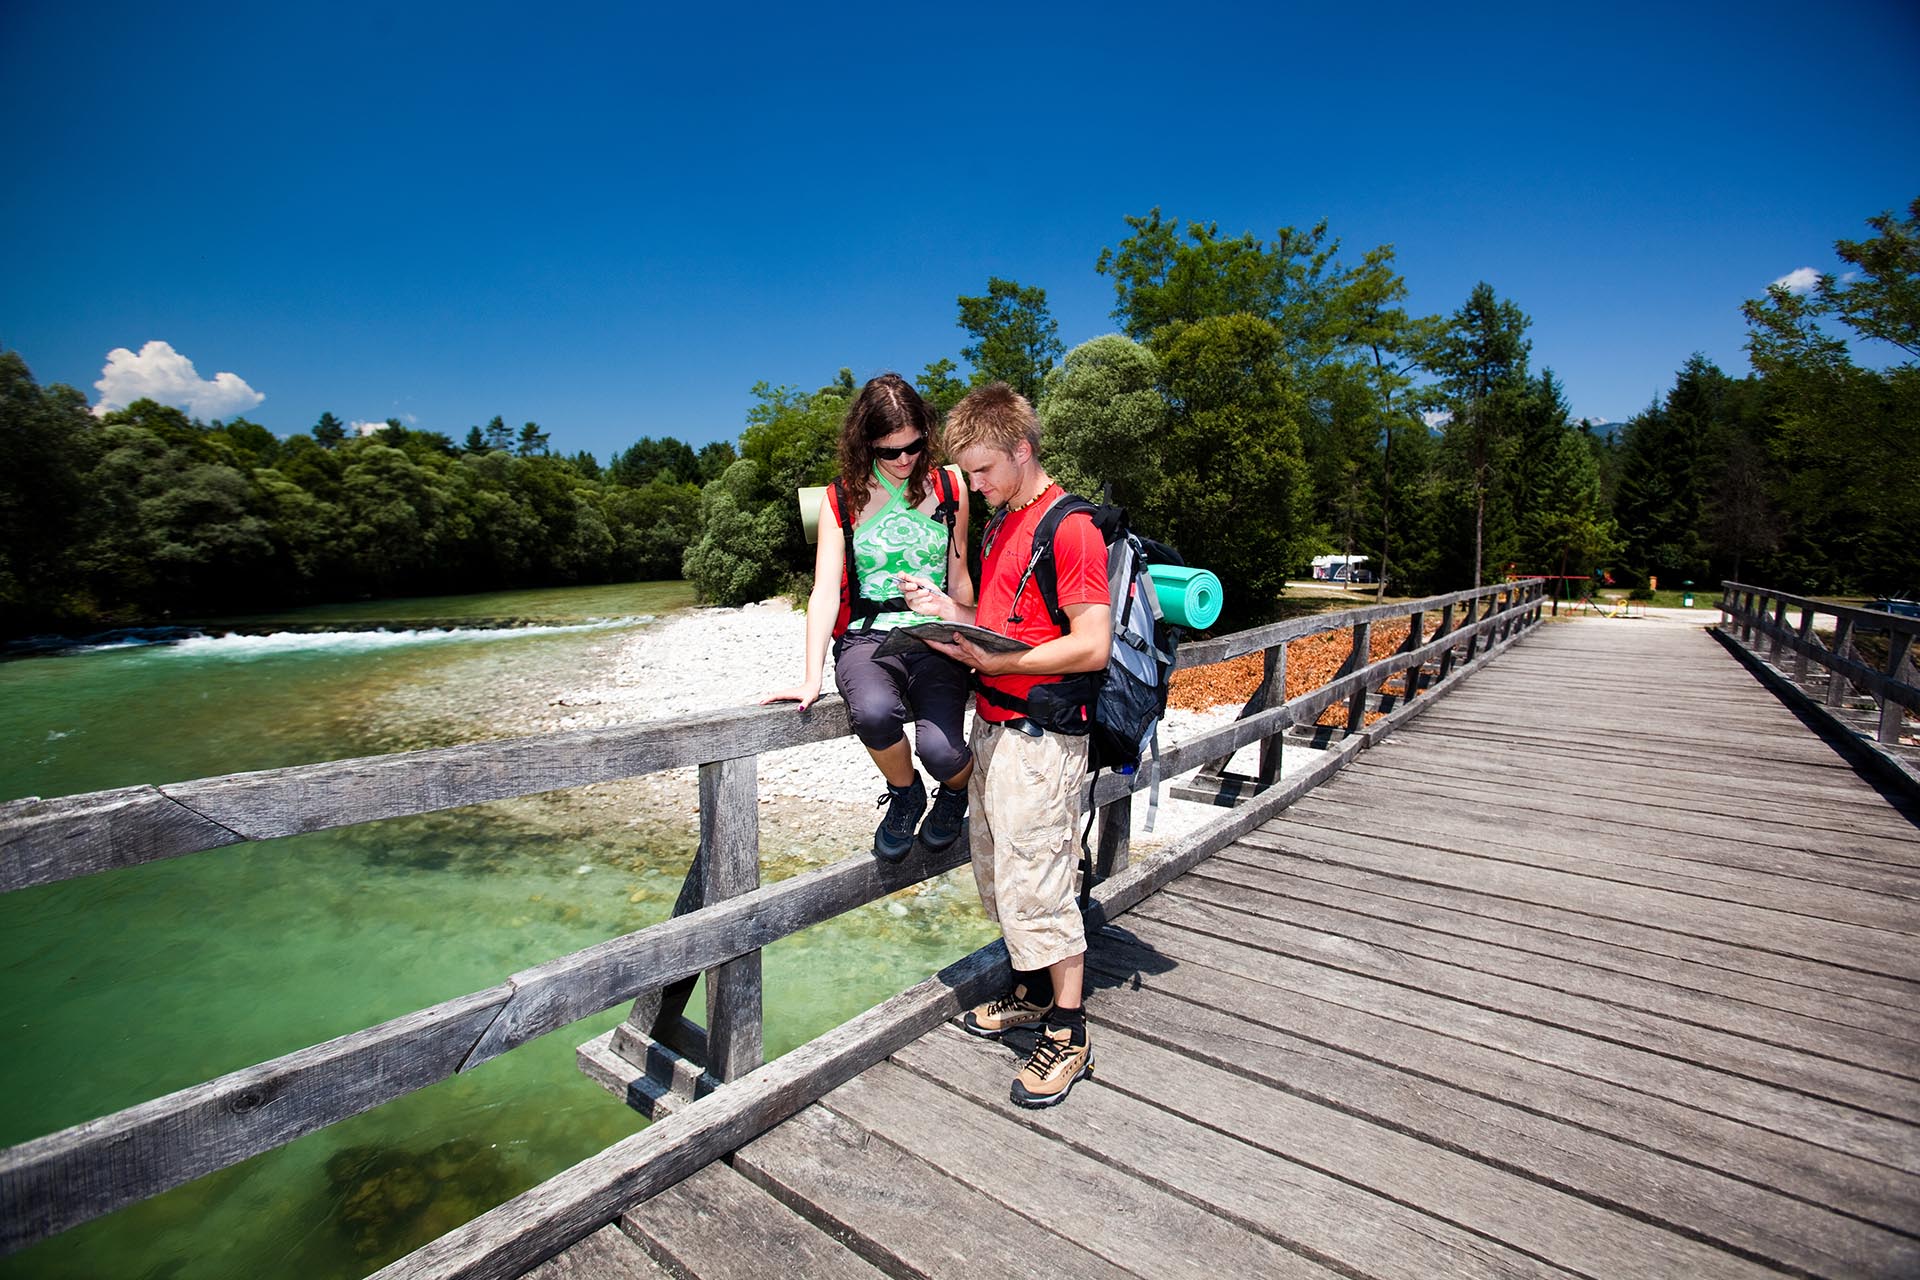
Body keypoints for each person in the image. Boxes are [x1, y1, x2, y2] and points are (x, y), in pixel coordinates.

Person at [897, 382, 1110, 1109]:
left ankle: (1069, 1031)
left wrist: (1002, 666)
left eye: (985, 470)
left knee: (1041, 880)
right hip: (995, 728)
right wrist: (944, 610)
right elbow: (1003, 619)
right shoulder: (1002, 524)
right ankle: (1027, 991)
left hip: (1043, 737)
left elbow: (1091, 644)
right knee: (1001, 871)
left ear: (1022, 451)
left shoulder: (1070, 528)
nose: (976, 486)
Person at [763, 373, 976, 862]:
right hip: (867, 640)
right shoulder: (839, 500)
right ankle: (905, 794)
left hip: (937, 637)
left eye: (915, 446)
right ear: (866, 445)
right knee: (874, 713)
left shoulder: (951, 486)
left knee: (943, 753)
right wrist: (809, 678)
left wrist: (975, 642)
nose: (904, 460)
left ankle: (956, 792)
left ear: (927, 433)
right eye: (889, 452)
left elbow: (961, 577)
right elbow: (822, 592)